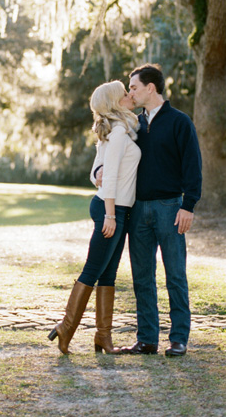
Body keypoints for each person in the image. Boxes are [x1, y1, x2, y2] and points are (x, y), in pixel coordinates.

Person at [48, 80, 141, 354]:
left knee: (108, 273)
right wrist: (110, 216)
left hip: (117, 209)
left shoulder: (117, 130)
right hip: (110, 210)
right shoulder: (120, 132)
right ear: (115, 101)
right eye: (125, 93)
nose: (129, 96)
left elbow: (96, 172)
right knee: (93, 269)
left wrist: (99, 179)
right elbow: (107, 176)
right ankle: (66, 327)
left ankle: (103, 337)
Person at [117, 63, 202, 357]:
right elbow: (117, 155)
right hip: (138, 210)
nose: (131, 92)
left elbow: (193, 165)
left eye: (134, 87)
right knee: (142, 277)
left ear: (150, 88)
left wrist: (188, 206)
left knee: (175, 275)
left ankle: (178, 338)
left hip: (170, 208)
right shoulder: (134, 124)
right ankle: (147, 339)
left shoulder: (180, 122)